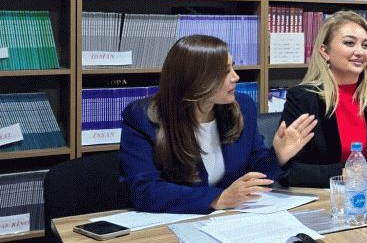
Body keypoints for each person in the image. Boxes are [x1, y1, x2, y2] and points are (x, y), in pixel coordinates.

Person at [119, 35, 317, 213]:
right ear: (194, 79)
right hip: (172, 224)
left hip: (230, 219)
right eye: (224, 71)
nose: (235, 77)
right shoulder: (142, 116)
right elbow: (144, 191)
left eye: (233, 67)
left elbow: (255, 175)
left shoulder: (242, 107)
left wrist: (279, 156)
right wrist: (217, 199)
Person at [280, 11, 367, 186]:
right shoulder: (302, 98)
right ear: (325, 52)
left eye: (365, 46)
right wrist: (342, 173)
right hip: (329, 196)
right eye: (349, 43)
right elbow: (289, 169)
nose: (360, 52)